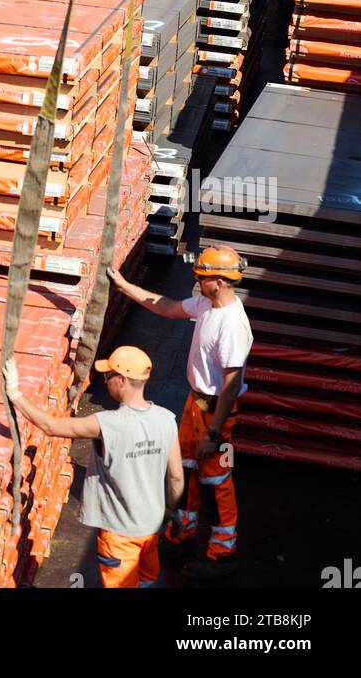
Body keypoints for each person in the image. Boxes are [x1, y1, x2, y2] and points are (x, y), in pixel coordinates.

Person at [107, 246, 253, 580]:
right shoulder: (207, 305)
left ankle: (222, 555)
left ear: (218, 281)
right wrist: (125, 286)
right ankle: (182, 533)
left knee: (216, 480)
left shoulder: (232, 326)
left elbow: (230, 386)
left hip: (217, 411)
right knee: (185, 468)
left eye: (201, 277)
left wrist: (215, 434)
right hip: (196, 402)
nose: (197, 281)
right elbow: (169, 307)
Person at [4, 345, 183, 590]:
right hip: (151, 529)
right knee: (147, 581)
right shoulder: (167, 419)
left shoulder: (107, 424)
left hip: (120, 535)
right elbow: (176, 479)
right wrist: (171, 512)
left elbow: (51, 427)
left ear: (122, 380)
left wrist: (15, 394)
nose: (105, 381)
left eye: (108, 376)